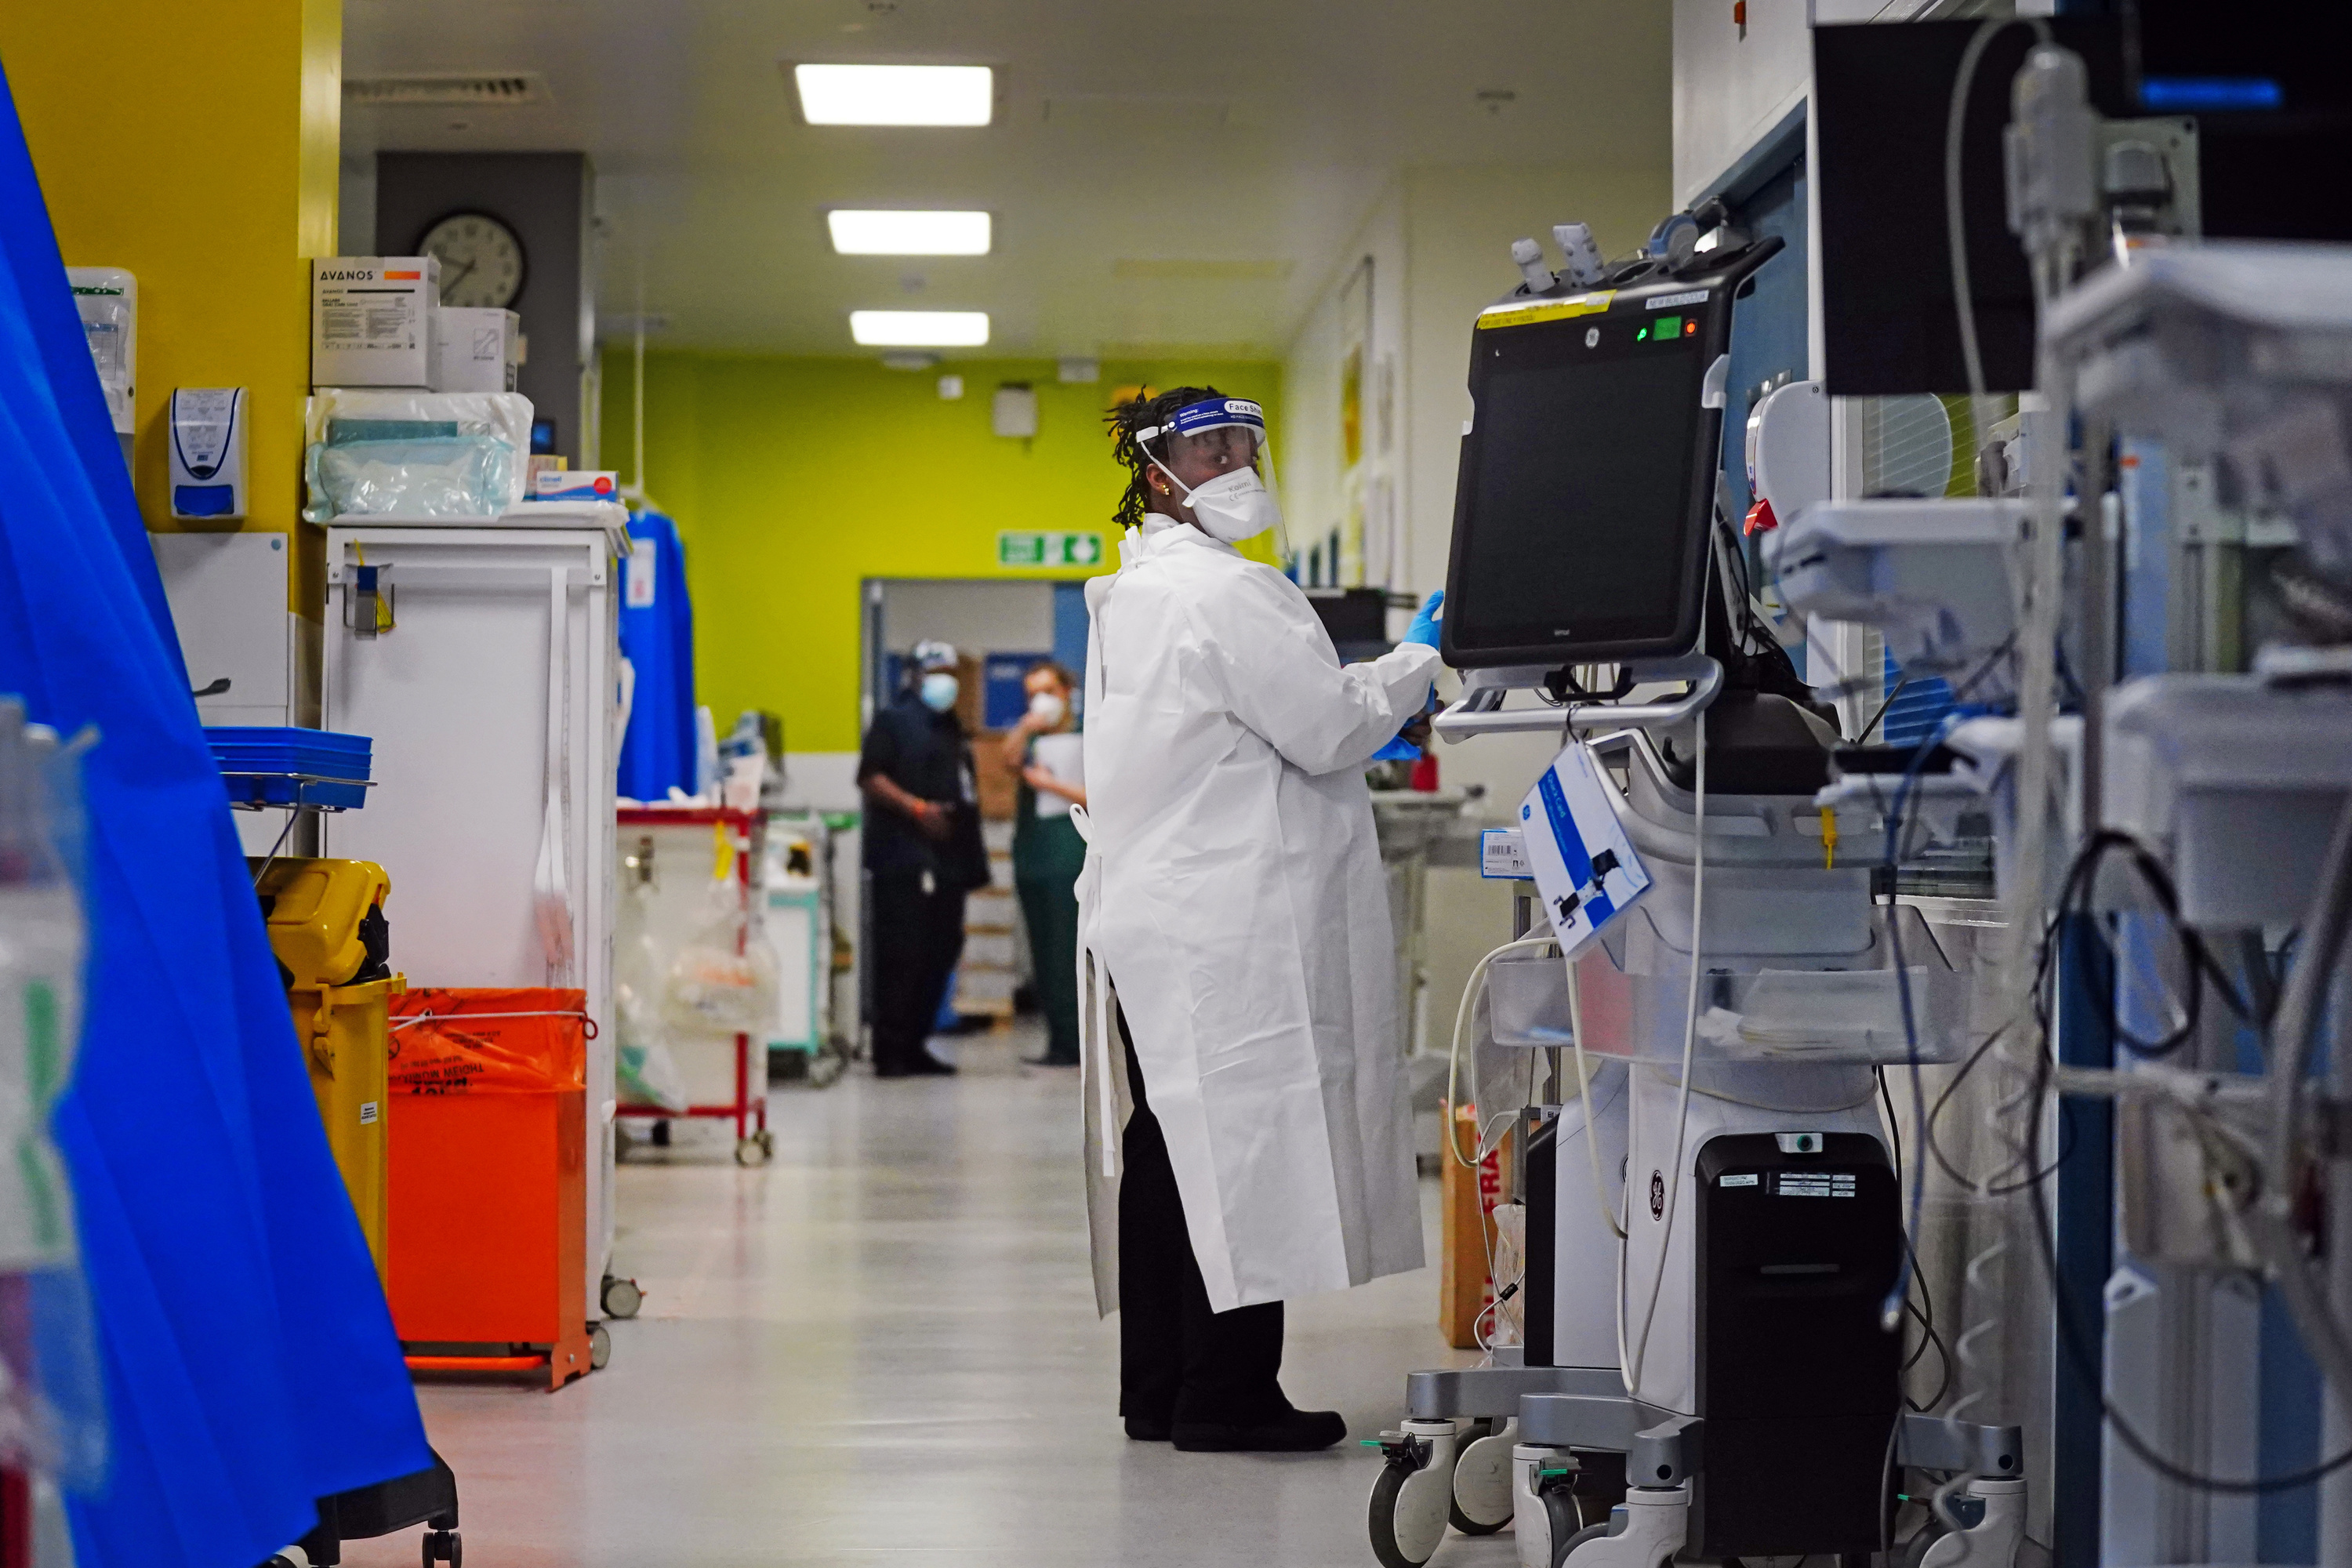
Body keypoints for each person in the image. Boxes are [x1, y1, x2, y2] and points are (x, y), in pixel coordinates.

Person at [1073, 386, 1446, 1453]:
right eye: (1209, 447)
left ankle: (1161, 1390)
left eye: (1245, 440)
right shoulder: (1226, 594)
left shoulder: (1135, 593)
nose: (1236, 461)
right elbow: (1331, 727)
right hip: (1229, 919)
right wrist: (1420, 656)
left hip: (1158, 913)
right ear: (1157, 472)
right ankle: (1227, 1394)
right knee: (1243, 1146)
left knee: (1169, 1151)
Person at [857, 639, 991, 1078]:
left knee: (940, 953)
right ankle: (891, 1050)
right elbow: (871, 778)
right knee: (902, 956)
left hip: (948, 864)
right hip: (904, 861)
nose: (944, 683)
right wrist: (916, 808)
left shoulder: (951, 726)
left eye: (950, 674)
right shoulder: (893, 722)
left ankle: (915, 1044)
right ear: (914, 676)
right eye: (935, 673)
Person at [1000, 661, 1086, 1068]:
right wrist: (1025, 727)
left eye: (1049, 689)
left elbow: (1097, 795)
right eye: (1033, 692)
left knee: (1069, 953)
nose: (1042, 699)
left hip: (1070, 857)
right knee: (1044, 955)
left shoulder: (1089, 732)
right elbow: (1008, 759)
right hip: (1035, 858)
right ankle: (1058, 1042)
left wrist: (1050, 785)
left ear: (1068, 690)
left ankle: (1077, 1043)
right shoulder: (1033, 737)